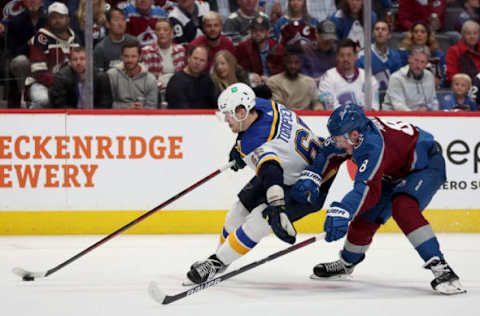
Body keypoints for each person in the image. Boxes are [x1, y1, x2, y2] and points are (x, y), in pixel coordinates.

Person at [290, 103, 467, 295]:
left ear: (355, 134)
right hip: (391, 172)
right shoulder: (349, 135)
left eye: (341, 139)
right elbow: (327, 152)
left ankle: (442, 269)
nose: (337, 143)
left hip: (425, 167)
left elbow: (366, 187)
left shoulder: (373, 145)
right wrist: (313, 175)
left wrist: (343, 209)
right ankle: (347, 263)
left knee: (403, 207)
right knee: (365, 217)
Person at [185, 82, 339, 285]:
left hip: (308, 185)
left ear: (241, 111)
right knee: (238, 212)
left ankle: (214, 263)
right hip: (291, 166)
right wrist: (239, 145)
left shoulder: (255, 143)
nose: (226, 119)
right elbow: (261, 145)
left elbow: (271, 172)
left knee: (259, 220)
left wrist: (277, 203)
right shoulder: (262, 105)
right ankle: (220, 260)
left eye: (228, 114)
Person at [27, 1, 81, 108]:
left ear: (68, 19)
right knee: (44, 99)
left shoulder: (75, 38)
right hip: (41, 84)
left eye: (61, 17)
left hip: (67, 85)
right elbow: (38, 72)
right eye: (53, 17)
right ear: (49, 20)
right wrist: (60, 85)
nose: (57, 21)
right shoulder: (41, 37)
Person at [6, 0, 47, 108]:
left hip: (45, 62)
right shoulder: (15, 22)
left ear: (41, 1)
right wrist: (29, 44)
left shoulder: (49, 21)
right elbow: (12, 53)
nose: (32, 1)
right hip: (26, 64)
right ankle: (24, 97)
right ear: (23, 2)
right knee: (20, 61)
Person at [318, 39, 380, 110]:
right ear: (337, 57)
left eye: (349, 55)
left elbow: (374, 107)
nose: (345, 59)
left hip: (363, 120)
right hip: (338, 120)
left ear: (356, 56)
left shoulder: (368, 78)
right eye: (342, 55)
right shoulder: (327, 77)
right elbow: (330, 108)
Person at [383, 45, 440, 111]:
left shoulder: (429, 76)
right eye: (416, 60)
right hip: (395, 117)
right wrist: (415, 115)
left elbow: (433, 101)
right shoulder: (396, 78)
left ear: (426, 64)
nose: (418, 65)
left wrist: (428, 110)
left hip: (421, 117)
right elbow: (398, 105)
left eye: (422, 62)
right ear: (409, 59)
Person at [266, 45, 323, 110]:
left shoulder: (309, 82)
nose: (293, 66)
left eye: (296, 63)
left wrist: (318, 109)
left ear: (301, 63)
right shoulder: (273, 81)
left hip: (307, 117)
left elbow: (316, 102)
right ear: (284, 62)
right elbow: (277, 107)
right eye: (289, 62)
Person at [234, 16, 285, 87]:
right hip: (252, 86)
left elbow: (284, 72)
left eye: (261, 30)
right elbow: (237, 69)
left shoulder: (278, 48)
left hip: (275, 86)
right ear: (251, 32)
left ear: (267, 32)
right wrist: (249, 76)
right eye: (255, 30)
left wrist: (271, 80)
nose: (258, 33)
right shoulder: (243, 47)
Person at [107, 40, 158, 109]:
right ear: (121, 57)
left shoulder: (150, 79)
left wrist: (142, 109)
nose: (129, 60)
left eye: (133, 56)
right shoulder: (111, 75)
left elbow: (152, 107)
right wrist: (129, 108)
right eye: (126, 56)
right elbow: (107, 105)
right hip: (118, 117)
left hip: (143, 117)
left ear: (140, 57)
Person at [141, 18, 186, 92]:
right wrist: (159, 85)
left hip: (176, 89)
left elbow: (182, 75)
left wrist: (172, 86)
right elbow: (144, 78)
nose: (161, 32)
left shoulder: (180, 50)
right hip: (154, 90)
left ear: (171, 33)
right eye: (158, 30)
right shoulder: (147, 51)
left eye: (165, 30)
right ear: (155, 33)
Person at [356, 20, 402, 91]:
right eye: (377, 29)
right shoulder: (362, 56)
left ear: (389, 35)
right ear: (373, 34)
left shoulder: (395, 56)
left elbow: (398, 83)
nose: (380, 31)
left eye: (383, 29)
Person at [397, 22, 446, 88]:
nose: (419, 34)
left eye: (423, 32)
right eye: (416, 32)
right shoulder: (403, 53)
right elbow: (400, 75)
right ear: (411, 35)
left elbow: (442, 78)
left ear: (428, 35)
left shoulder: (438, 55)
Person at [94, 7, 137, 71]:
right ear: (107, 24)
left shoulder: (134, 43)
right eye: (116, 20)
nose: (120, 23)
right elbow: (99, 76)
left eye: (123, 20)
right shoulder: (101, 48)